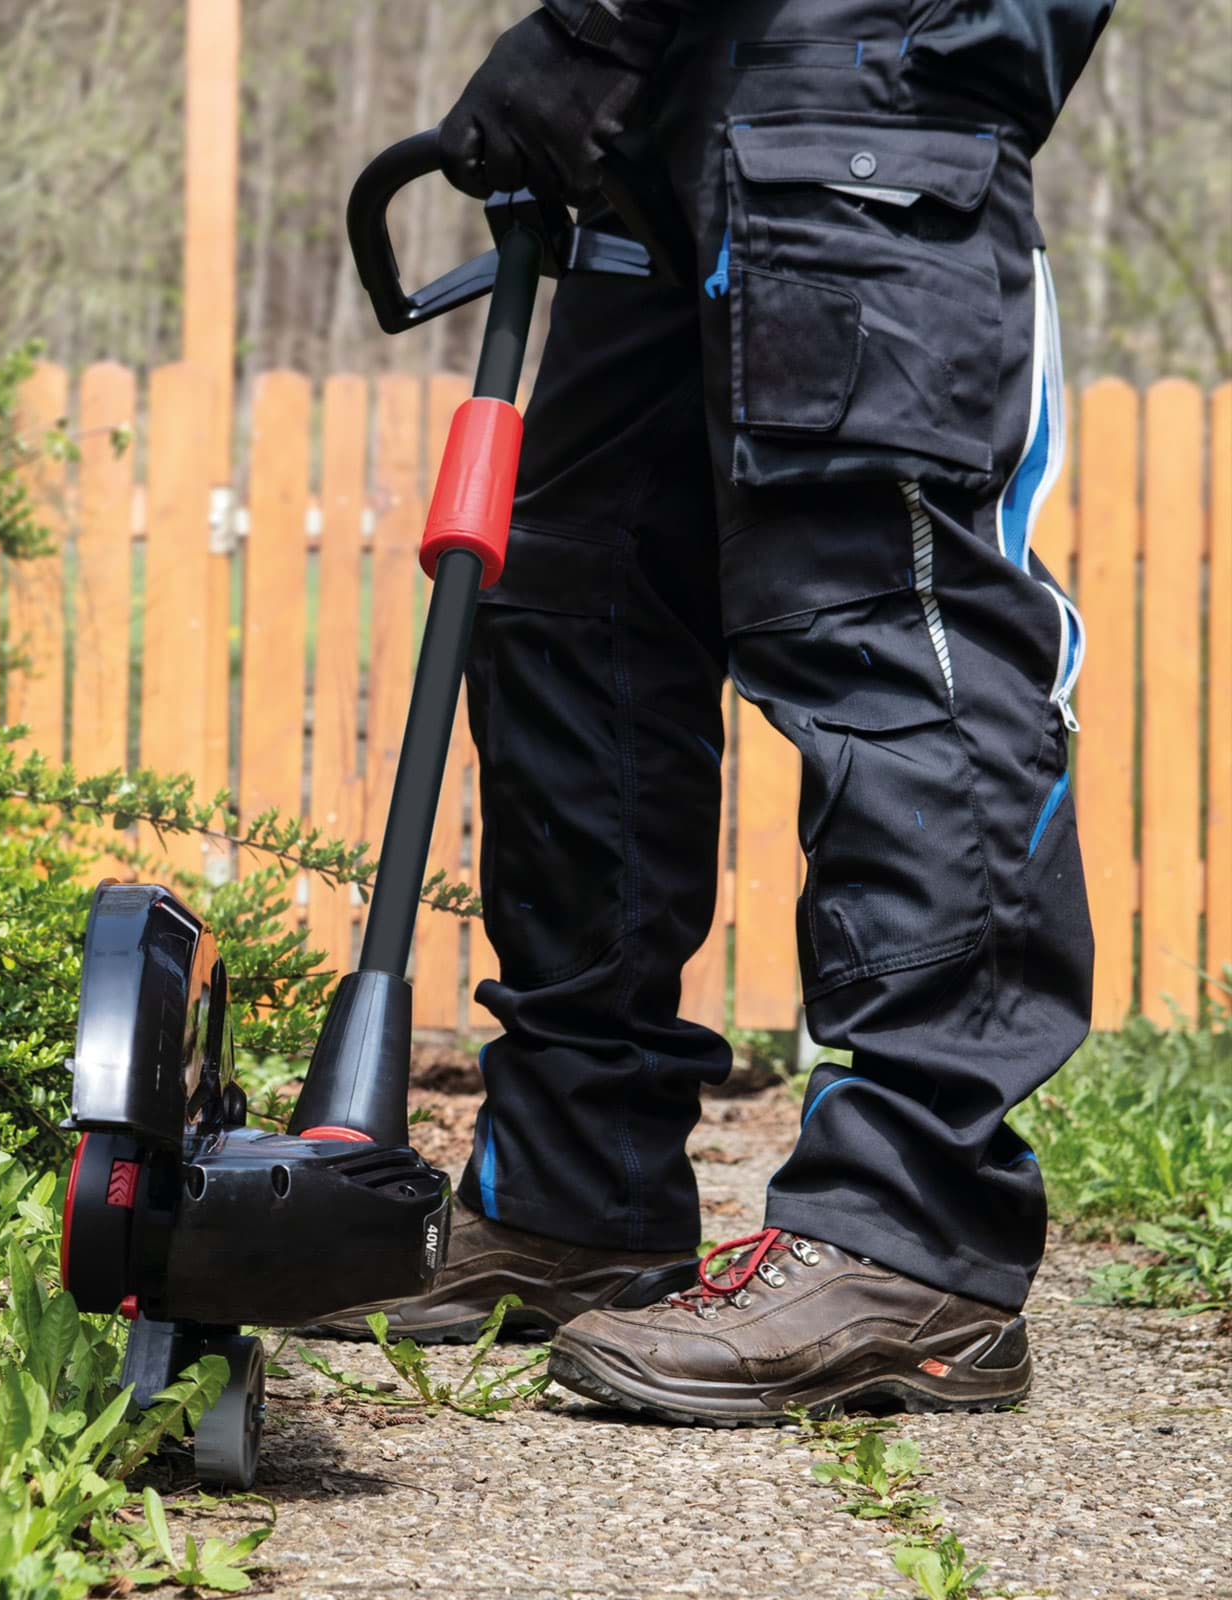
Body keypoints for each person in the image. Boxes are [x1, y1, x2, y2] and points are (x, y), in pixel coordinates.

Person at [326, 0, 1113, 1426]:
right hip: (681, 101)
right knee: (575, 607)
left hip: (873, 73)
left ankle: (909, 1236)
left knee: (886, 623)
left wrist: (591, 26)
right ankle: (577, 1190)